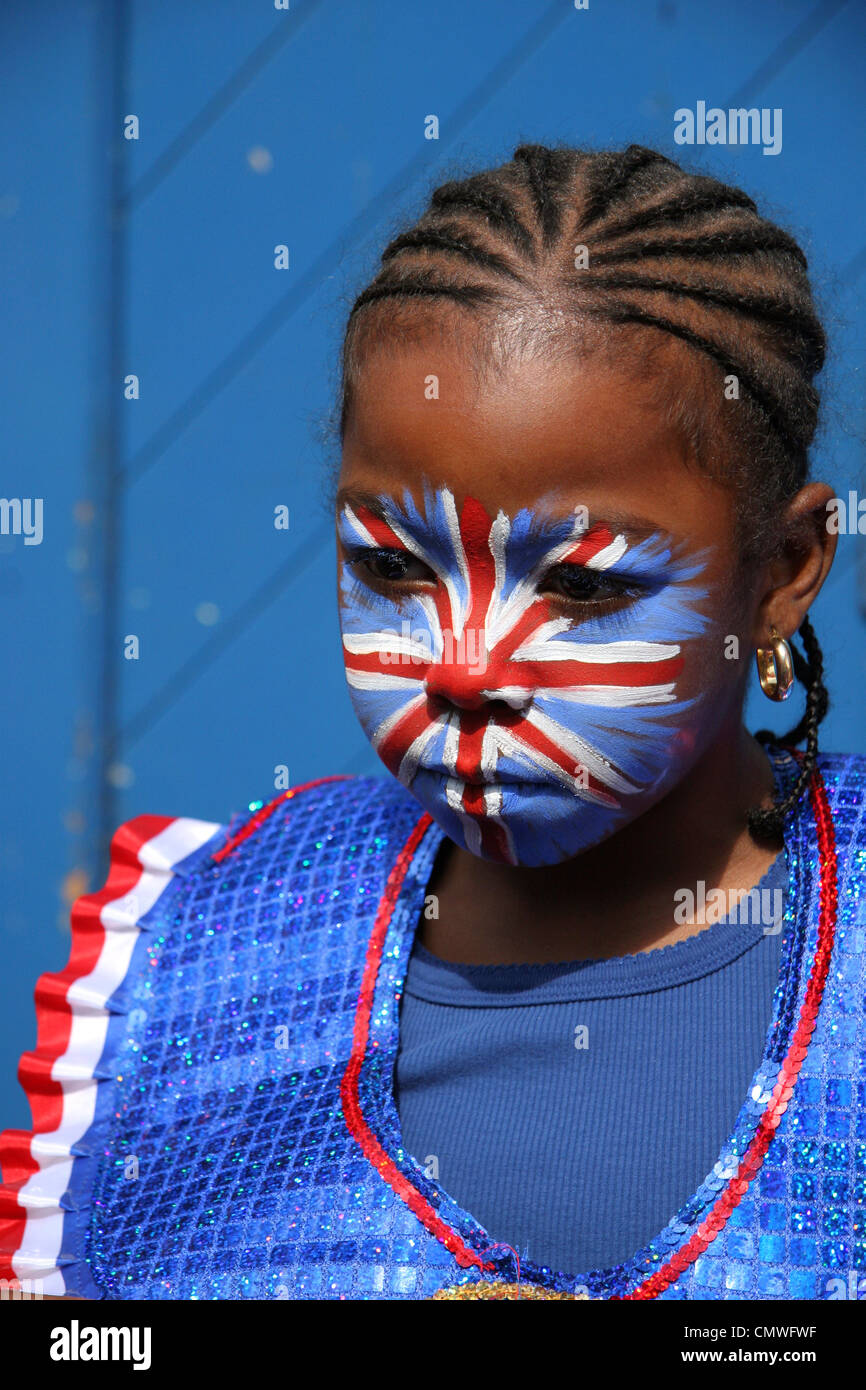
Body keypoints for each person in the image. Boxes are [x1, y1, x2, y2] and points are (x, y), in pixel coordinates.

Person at [1, 142, 862, 1301]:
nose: (462, 669)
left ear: (783, 566)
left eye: (584, 586)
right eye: (393, 568)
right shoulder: (196, 970)